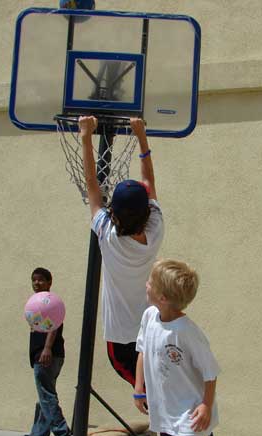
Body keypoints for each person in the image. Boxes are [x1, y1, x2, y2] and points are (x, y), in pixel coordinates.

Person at [78, 116, 165, 387]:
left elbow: (92, 184)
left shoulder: (108, 234)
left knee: (151, 397)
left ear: (113, 212)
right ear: (146, 211)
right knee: (157, 395)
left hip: (121, 340)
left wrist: (85, 135)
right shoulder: (155, 228)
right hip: (149, 331)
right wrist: (141, 136)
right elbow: (146, 180)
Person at [134, 259, 220, 436]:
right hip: (165, 417)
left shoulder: (188, 332)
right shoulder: (149, 317)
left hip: (191, 418)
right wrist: (138, 389)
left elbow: (210, 373)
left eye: (150, 282)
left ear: (163, 297)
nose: (146, 284)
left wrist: (206, 405)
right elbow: (142, 351)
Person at [24, 267, 71, 436]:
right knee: (45, 395)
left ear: (49, 282)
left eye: (41, 280)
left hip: (47, 355)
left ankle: (63, 433)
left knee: (46, 396)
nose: (36, 283)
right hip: (47, 355)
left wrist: (47, 348)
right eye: (34, 280)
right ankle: (39, 434)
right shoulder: (37, 303)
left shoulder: (50, 303)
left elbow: (54, 327)